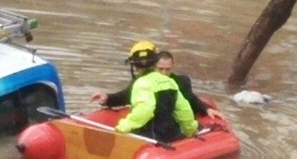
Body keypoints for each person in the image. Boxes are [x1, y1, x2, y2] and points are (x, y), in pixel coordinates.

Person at [91, 50, 225, 120]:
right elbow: (126, 95)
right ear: (154, 67)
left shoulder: (180, 81)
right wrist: (107, 98)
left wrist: (207, 109)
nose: (164, 73)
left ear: (172, 67)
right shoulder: (143, 81)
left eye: (167, 69)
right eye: (160, 69)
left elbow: (191, 99)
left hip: (170, 123)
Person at [109, 41, 199, 142]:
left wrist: (123, 127)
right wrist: (190, 130)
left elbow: (145, 110)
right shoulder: (169, 81)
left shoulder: (141, 83)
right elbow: (183, 110)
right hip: (171, 135)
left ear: (134, 65)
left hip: (150, 138)